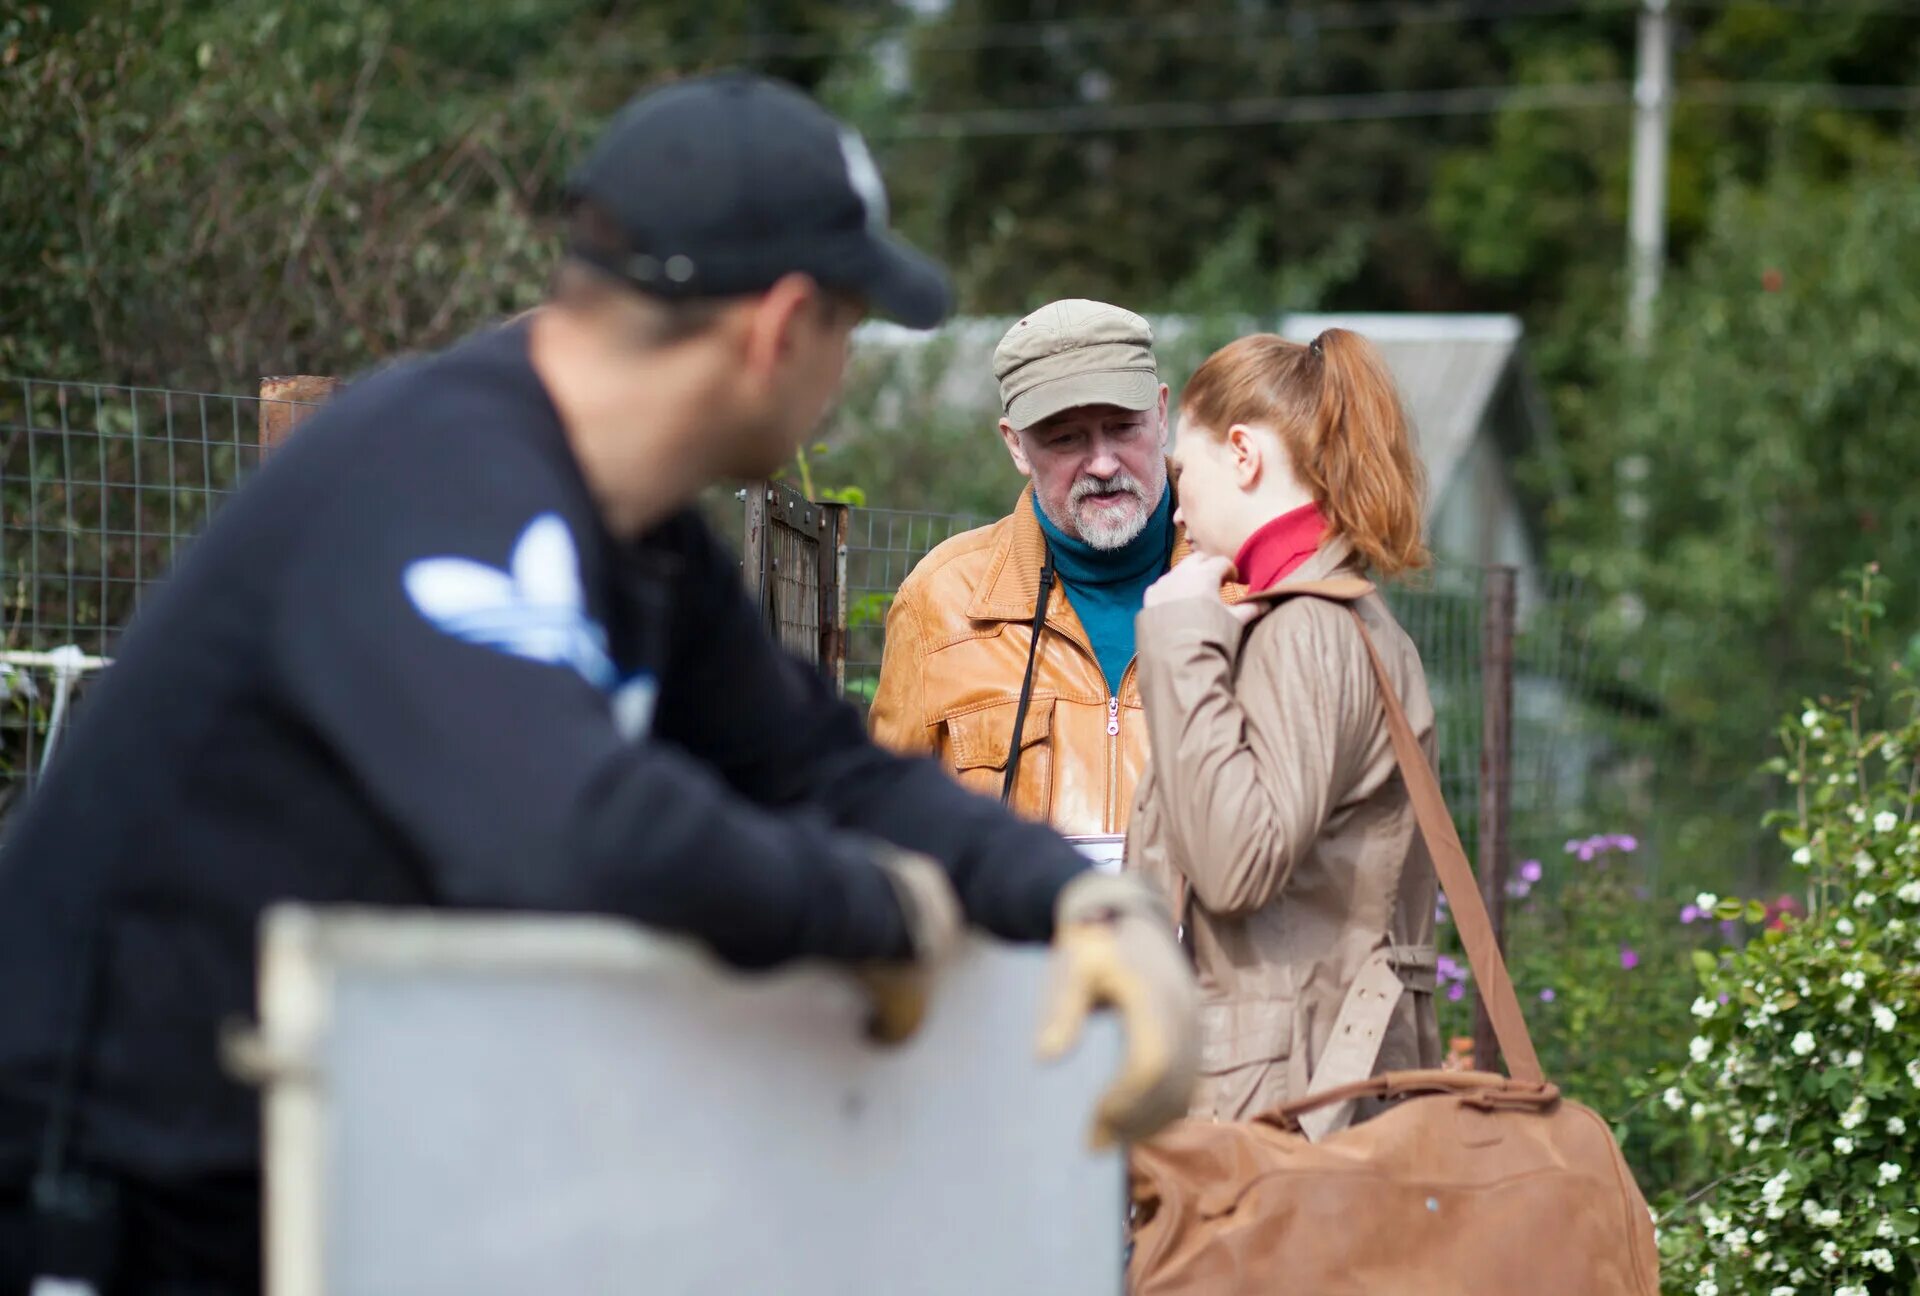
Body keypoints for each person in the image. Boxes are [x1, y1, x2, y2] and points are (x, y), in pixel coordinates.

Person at [0, 74, 1196, 1295]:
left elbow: (815, 766)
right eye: (848, 329)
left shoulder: (638, 536)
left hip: (300, 1174)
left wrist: (1075, 904)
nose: (839, 373)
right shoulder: (442, 475)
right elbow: (560, 829)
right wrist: (879, 914)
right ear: (783, 326)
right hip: (87, 1199)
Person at [1126, 327, 1442, 1129]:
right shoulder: (1334, 620)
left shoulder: (1310, 628)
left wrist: (1180, 635)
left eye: (1179, 468)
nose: (1177, 500)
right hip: (1303, 1085)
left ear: (1241, 454)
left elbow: (1234, 865)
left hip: (1283, 1113)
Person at [869, 299, 1211, 841]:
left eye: (1124, 428)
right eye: (1066, 438)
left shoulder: (1252, 587)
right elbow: (884, 837)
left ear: (1162, 416)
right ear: (1016, 445)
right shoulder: (939, 604)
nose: (1102, 463)